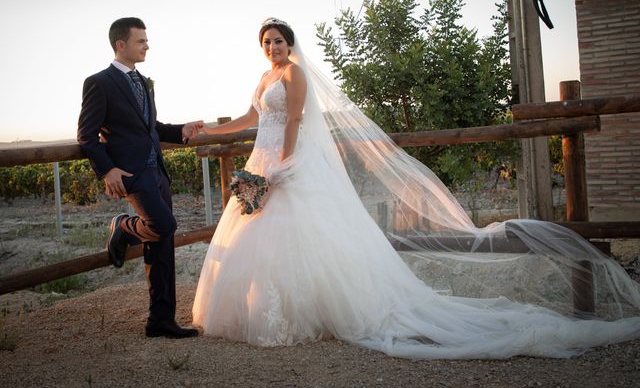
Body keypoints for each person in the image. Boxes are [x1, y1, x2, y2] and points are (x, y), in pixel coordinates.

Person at [192, 18, 640, 358]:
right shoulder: (264, 78)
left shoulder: (293, 75)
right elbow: (249, 120)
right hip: (261, 163)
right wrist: (208, 134)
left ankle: (310, 314)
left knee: (302, 234)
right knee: (261, 239)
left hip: (286, 165)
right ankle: (259, 311)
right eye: (267, 42)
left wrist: (282, 166)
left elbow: (291, 121)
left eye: (279, 41)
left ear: (291, 44)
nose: (273, 47)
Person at [78, 17, 203, 339]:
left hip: (157, 171)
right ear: (121, 45)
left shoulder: (144, 81)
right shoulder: (99, 82)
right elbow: (86, 136)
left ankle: (160, 320)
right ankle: (122, 225)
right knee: (164, 225)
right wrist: (107, 170)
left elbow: (152, 128)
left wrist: (180, 131)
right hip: (132, 173)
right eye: (141, 41)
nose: (147, 45)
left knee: (162, 246)